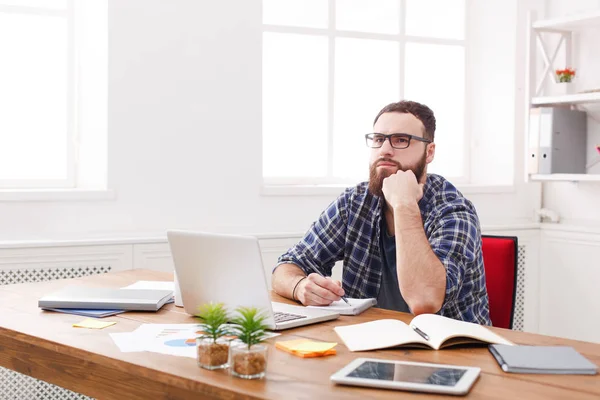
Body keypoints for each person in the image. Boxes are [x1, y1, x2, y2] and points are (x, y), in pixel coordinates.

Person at [271, 100, 490, 325]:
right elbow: (288, 265)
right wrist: (299, 287)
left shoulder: (454, 211)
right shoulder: (354, 202)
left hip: (448, 353)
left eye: (401, 140)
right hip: (369, 341)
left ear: (429, 152)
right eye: (378, 139)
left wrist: (404, 204)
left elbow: (425, 301)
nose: (385, 150)